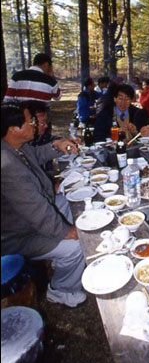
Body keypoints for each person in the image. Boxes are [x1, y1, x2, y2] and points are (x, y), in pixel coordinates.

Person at [1, 101, 86, 307]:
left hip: (26, 220)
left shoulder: (14, 146)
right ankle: (61, 290)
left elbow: (37, 155)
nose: (35, 124)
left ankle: (61, 261)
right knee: (76, 246)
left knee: (64, 201)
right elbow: (37, 211)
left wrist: (56, 145)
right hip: (17, 235)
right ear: (14, 128)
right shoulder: (7, 165)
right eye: (30, 121)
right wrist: (66, 231)